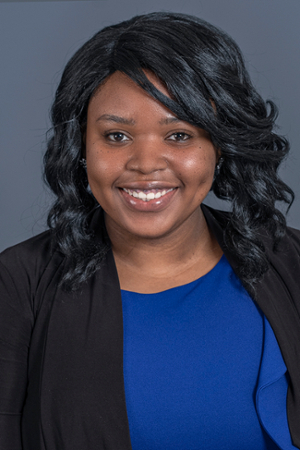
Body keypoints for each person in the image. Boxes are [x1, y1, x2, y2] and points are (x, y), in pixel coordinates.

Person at [0, 11, 299, 450]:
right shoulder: (20, 281)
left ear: (220, 146)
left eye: (179, 135)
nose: (145, 164)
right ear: (81, 147)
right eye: (117, 136)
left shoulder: (291, 262)